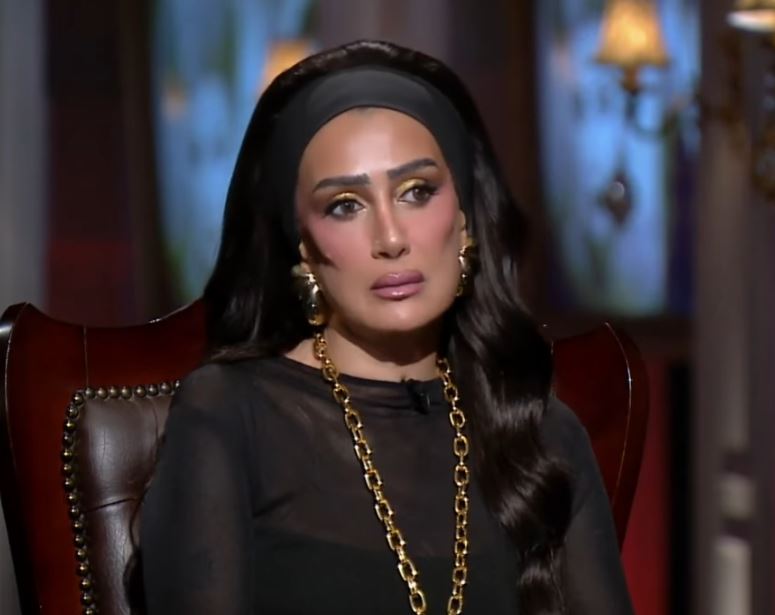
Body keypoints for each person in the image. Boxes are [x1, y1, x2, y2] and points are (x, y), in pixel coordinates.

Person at [139, 39, 634, 614]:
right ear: (304, 248)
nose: (392, 238)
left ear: (464, 221)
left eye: (417, 192)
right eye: (345, 205)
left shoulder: (538, 430)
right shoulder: (229, 414)